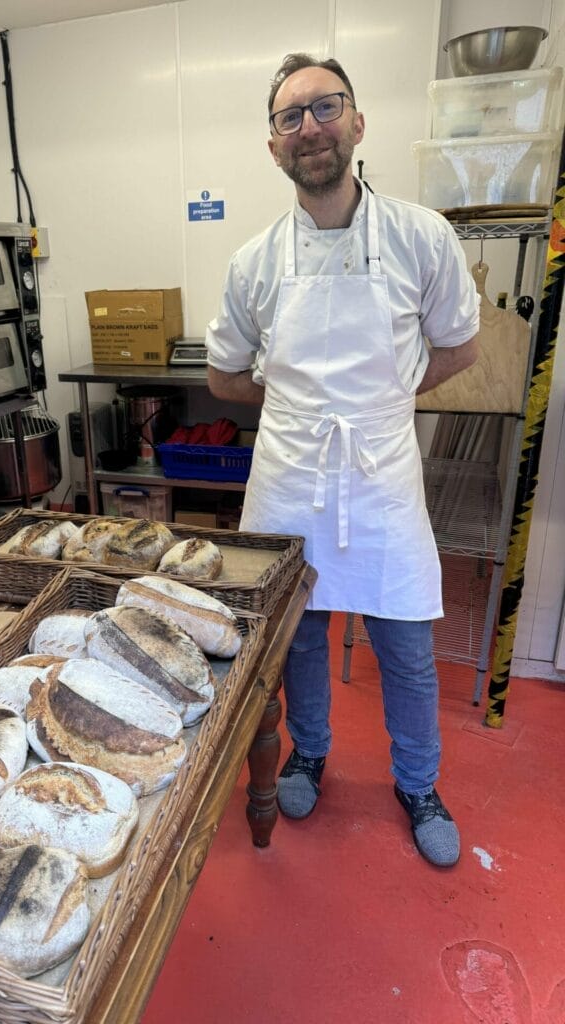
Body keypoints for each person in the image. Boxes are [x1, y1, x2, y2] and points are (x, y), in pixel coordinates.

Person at [206, 53, 480, 868]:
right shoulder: (253, 261)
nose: (310, 128)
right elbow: (224, 374)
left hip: (382, 473)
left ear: (358, 123)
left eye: (326, 108)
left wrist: (383, 398)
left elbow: (459, 347)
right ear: (274, 146)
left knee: (404, 646)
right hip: (291, 474)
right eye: (291, 117)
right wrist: (300, 410)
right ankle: (310, 753)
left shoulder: (419, 235)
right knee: (301, 637)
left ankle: (420, 783)